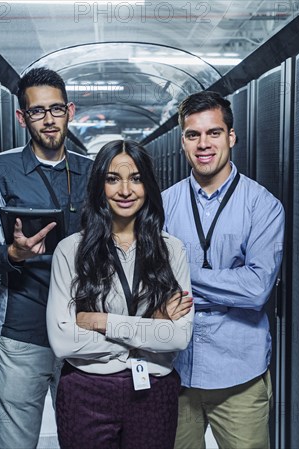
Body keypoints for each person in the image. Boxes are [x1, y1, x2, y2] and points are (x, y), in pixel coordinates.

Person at [0, 67, 93, 448]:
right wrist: (12, 254)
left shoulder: (93, 171)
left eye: (56, 109)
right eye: (37, 111)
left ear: (70, 111)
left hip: (84, 333)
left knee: (88, 440)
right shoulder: (0, 169)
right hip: (22, 335)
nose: (49, 119)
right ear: (22, 117)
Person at [46, 139, 194, 449]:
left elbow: (178, 338)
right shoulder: (70, 250)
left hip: (153, 391)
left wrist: (102, 321)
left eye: (136, 178)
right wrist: (151, 326)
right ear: (100, 185)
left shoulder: (172, 250)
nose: (125, 190)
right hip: (86, 391)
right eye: (113, 179)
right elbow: (63, 342)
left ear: (147, 185)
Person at [162, 91, 285, 449]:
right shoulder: (163, 204)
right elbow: (152, 282)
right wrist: (226, 282)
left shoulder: (263, 206)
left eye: (214, 133)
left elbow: (256, 288)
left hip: (239, 376)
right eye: (193, 134)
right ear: (183, 141)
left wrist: (182, 273)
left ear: (231, 137)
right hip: (175, 371)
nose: (204, 144)